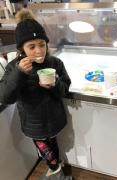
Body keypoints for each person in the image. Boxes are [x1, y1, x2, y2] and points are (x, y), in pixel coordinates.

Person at [0, 9, 72, 179]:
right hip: (33, 124)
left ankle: (55, 166)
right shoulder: (13, 67)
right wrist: (19, 73)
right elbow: (5, 97)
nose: (39, 51)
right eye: (31, 47)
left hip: (55, 118)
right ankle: (55, 168)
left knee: (53, 143)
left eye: (42, 44)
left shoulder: (55, 62)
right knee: (43, 147)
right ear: (22, 49)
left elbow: (66, 87)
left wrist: (54, 85)